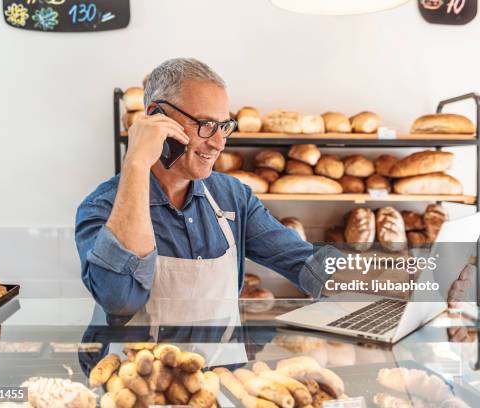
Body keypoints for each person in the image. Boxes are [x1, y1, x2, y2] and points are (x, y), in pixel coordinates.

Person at [75, 58, 330, 317]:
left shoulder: (232, 197)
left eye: (224, 126)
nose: (219, 143)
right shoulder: (103, 206)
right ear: (156, 116)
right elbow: (120, 300)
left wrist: (365, 279)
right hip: (137, 359)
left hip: (220, 359)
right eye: (206, 125)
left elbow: (305, 263)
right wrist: (137, 163)